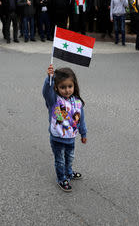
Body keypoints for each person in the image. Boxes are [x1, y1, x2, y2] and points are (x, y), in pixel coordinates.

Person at [43, 64, 87, 192]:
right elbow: (46, 92)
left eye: (70, 86)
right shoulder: (54, 100)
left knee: (70, 157)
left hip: (71, 137)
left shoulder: (77, 102)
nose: (67, 90)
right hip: (58, 138)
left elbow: (81, 119)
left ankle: (68, 173)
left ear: (74, 86)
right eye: (63, 87)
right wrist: (49, 79)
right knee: (60, 161)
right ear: (56, 87)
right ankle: (61, 178)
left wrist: (83, 133)